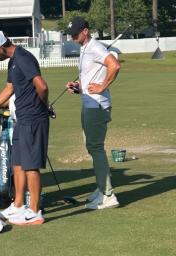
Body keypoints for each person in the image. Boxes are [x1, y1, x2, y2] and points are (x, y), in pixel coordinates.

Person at [0, 30, 49, 225]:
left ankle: (34, 211)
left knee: (31, 165)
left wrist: (43, 106)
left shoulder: (23, 58)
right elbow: (9, 89)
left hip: (33, 117)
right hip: (21, 118)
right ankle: (18, 205)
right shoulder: (12, 61)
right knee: (18, 161)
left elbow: (42, 86)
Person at [65, 17, 121, 210]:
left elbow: (115, 65)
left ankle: (108, 195)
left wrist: (102, 86)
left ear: (85, 31)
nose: (72, 37)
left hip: (97, 106)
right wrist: (79, 87)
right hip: (89, 103)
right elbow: (92, 77)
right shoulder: (85, 48)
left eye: (75, 34)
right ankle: (101, 188)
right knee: (92, 147)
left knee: (95, 147)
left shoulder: (95, 47)